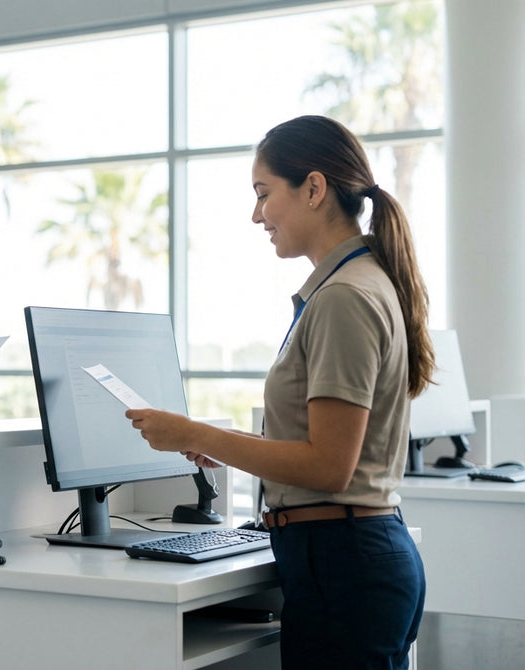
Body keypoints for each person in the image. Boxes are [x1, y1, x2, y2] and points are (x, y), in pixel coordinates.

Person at [125, 115, 432, 670]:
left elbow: (330, 467)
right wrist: (220, 443)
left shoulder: (345, 297)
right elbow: (325, 448)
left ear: (313, 189)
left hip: (343, 565)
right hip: (347, 561)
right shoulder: (354, 286)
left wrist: (196, 432)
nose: (256, 215)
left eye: (264, 194)